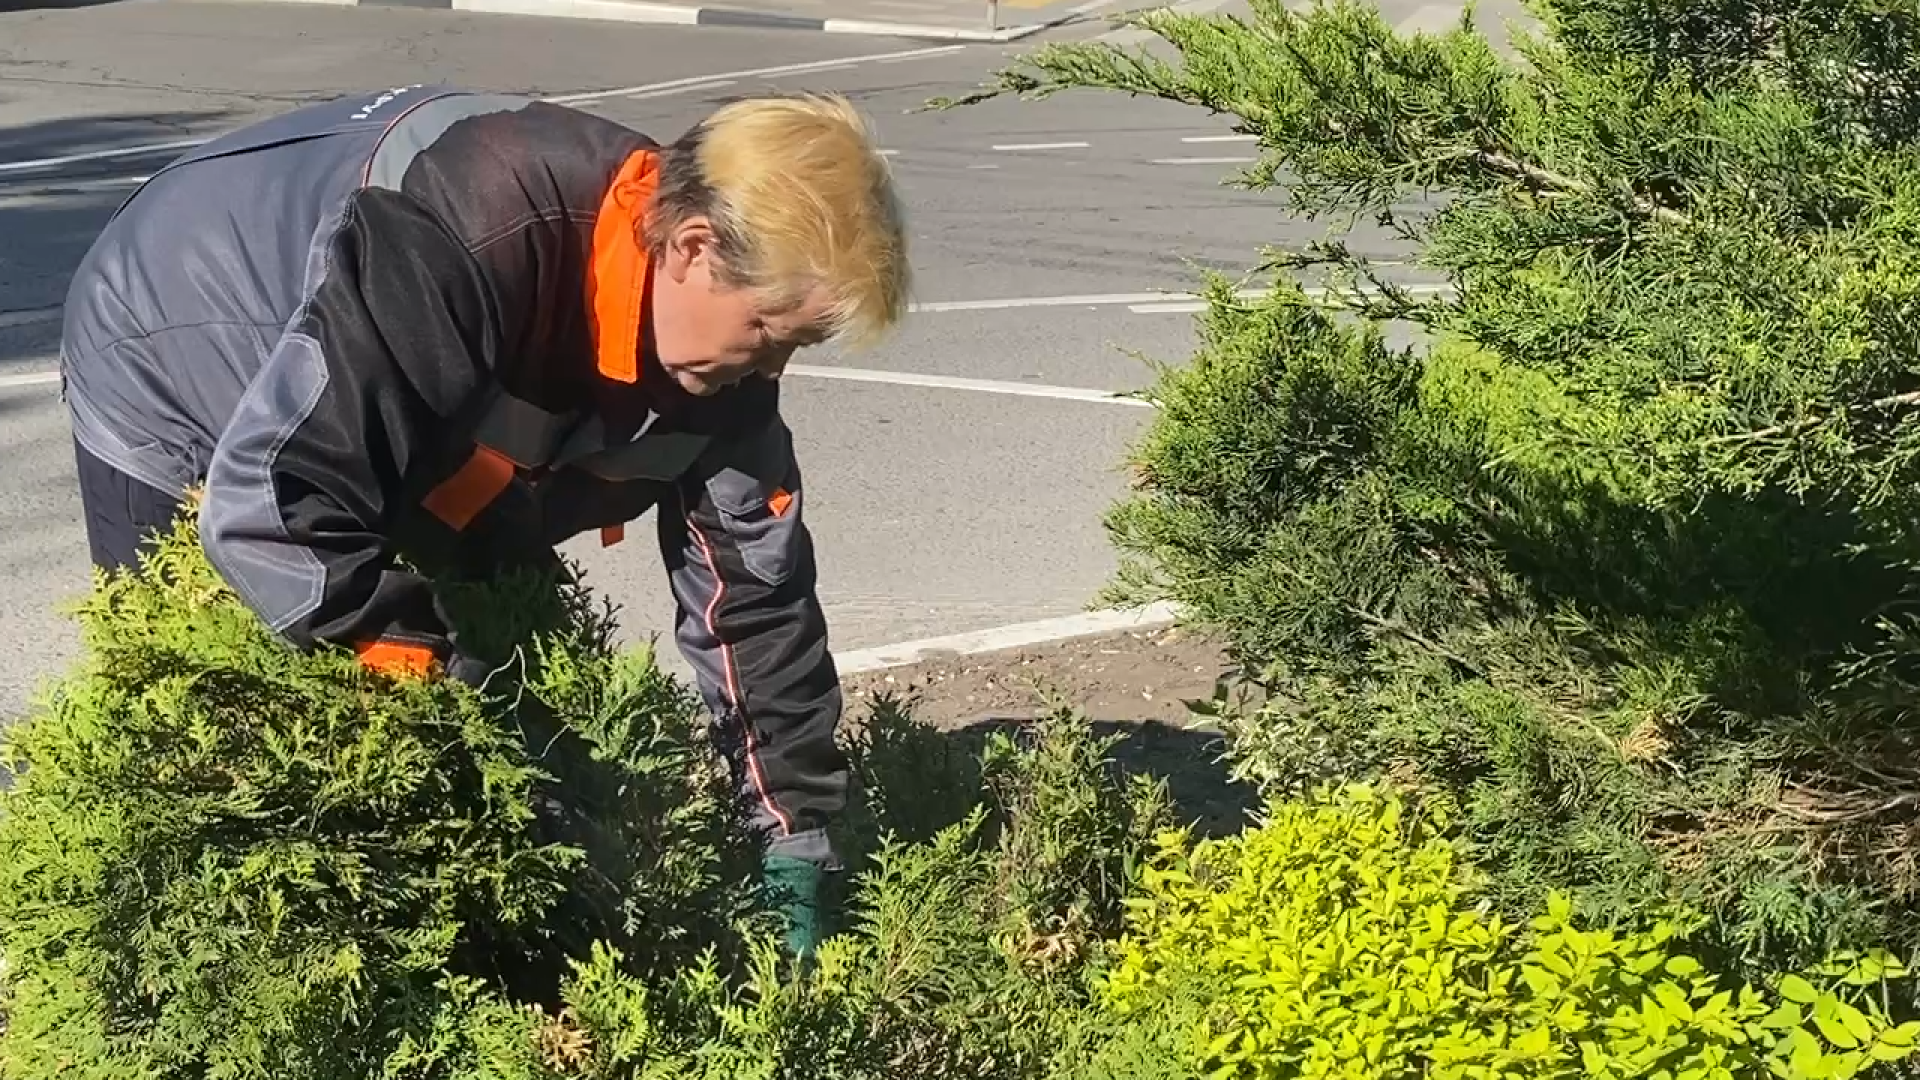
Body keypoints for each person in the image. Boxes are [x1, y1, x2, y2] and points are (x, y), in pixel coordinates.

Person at [56, 83, 912, 958]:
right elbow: (279, 515)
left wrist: (793, 834)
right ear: (693, 248)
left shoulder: (725, 374)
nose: (773, 368)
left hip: (412, 410)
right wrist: (462, 706)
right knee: (212, 725)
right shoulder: (470, 228)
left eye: (795, 347)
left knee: (542, 761)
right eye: (770, 331)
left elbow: (756, 603)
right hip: (182, 338)